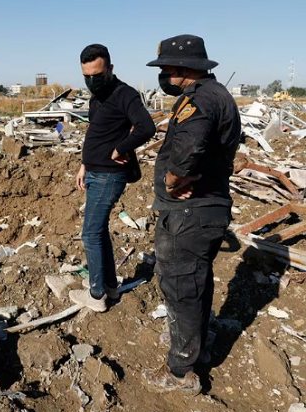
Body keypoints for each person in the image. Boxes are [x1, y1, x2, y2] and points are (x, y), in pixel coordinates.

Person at [141, 34, 241, 393]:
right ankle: (197, 353)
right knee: (196, 283)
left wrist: (172, 179)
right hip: (203, 212)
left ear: (184, 68)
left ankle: (182, 372)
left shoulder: (199, 100)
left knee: (182, 287)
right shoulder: (218, 95)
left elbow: (189, 145)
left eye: (167, 68)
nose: (164, 75)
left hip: (189, 213)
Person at [68, 44, 155, 312]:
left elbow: (146, 127)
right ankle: (109, 286)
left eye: (97, 74)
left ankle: (96, 296)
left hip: (109, 176)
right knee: (99, 231)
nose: (92, 81)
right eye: (87, 76)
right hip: (95, 172)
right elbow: (96, 134)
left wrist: (121, 148)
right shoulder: (97, 98)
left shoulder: (124, 94)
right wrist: (84, 165)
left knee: (90, 234)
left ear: (110, 69)